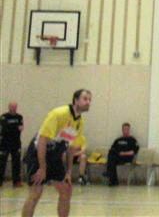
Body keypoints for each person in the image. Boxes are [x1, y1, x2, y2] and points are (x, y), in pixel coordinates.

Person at [22, 89, 92, 217]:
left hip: (54, 157)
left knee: (66, 190)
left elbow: (71, 149)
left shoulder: (79, 123)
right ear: (76, 100)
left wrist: (69, 172)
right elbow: (42, 140)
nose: (88, 102)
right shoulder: (59, 113)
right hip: (38, 154)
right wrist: (42, 168)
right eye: (85, 99)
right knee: (36, 192)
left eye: (90, 100)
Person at [0, 101, 23, 187]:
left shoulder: (19, 117)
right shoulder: (4, 117)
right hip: (4, 143)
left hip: (16, 143)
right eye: (12, 107)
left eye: (15, 107)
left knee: (16, 163)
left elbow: (21, 128)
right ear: (9, 107)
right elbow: (5, 129)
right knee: (2, 162)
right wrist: (15, 128)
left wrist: (13, 128)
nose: (14, 108)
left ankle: (16, 181)